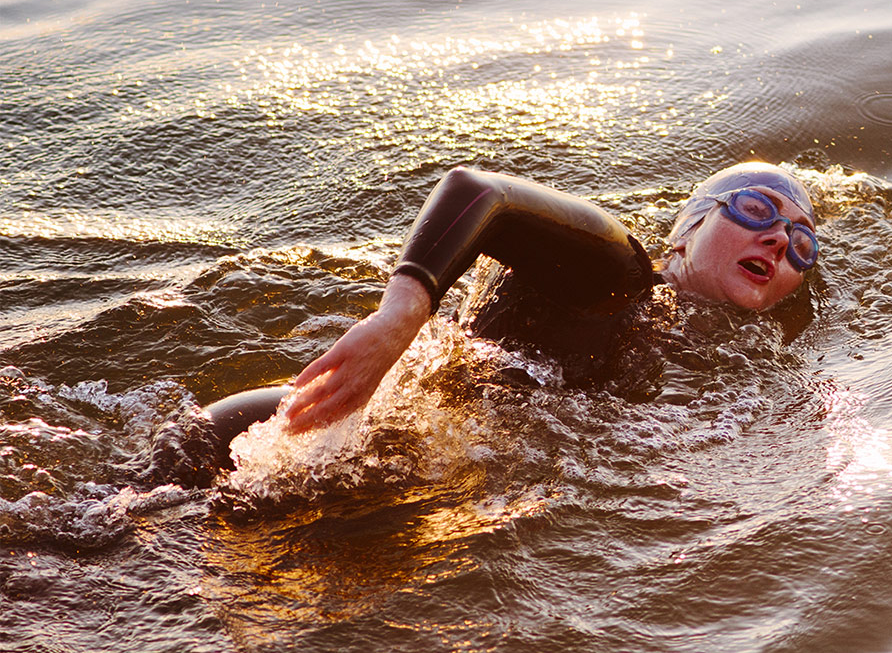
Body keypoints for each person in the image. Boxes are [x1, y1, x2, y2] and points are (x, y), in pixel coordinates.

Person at [195, 161, 819, 459]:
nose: (776, 240)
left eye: (800, 244)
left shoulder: (713, 363)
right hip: (278, 435)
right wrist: (398, 317)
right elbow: (480, 191)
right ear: (686, 232)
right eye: (756, 210)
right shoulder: (614, 273)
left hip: (404, 468)